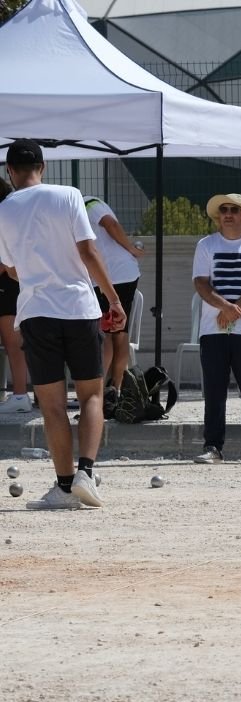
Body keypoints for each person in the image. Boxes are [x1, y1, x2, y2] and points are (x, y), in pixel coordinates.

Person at [0, 139, 121, 509]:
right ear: (43, 166)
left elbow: (11, 269)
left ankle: (64, 486)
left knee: (51, 405)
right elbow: (89, 251)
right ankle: (87, 471)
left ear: (9, 172)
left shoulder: (4, 209)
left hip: (37, 312)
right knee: (92, 395)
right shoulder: (69, 195)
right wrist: (113, 298)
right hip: (80, 308)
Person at [192, 193, 241, 464]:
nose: (228, 213)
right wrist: (224, 307)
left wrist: (234, 309)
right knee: (214, 391)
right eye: (224, 209)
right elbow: (201, 283)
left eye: (234, 210)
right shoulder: (206, 244)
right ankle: (213, 446)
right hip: (213, 328)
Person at [84, 196, 144, 395]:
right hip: (123, 273)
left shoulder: (88, 202)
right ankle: (115, 391)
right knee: (119, 332)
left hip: (110, 274)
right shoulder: (78, 208)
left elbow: (110, 223)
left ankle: (98, 394)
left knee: (106, 334)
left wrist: (130, 248)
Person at [0, 176, 30, 414]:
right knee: (13, 344)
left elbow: (5, 259)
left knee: (13, 343)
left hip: (7, 286)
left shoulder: (5, 215)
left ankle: (20, 395)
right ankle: (20, 395)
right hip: (10, 285)